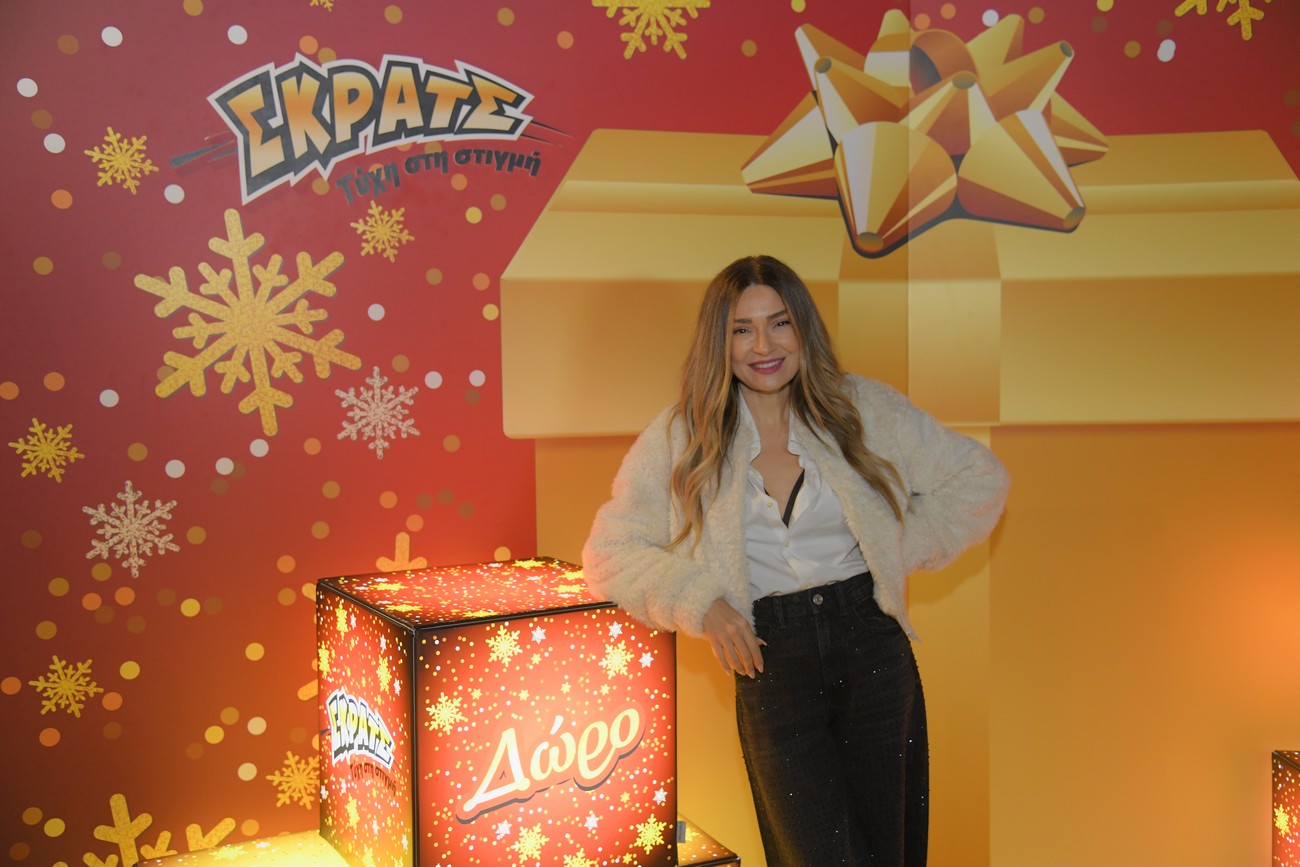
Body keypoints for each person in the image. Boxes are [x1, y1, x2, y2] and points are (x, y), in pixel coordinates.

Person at [581, 254, 1009, 867]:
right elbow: (609, 553)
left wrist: (888, 549)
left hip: (872, 646)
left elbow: (979, 478)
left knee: (887, 849)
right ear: (719, 342)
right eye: (742, 329)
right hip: (769, 660)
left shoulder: (862, 409)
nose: (764, 346)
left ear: (803, 328)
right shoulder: (683, 436)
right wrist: (705, 604)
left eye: (779, 323)